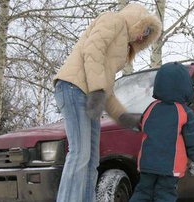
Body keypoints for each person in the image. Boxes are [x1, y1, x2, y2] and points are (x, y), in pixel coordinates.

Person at [52, 4, 162, 202]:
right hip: (73, 88)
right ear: (137, 21)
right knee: (80, 154)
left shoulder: (122, 49)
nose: (142, 37)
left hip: (89, 93)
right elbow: (92, 50)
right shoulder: (113, 20)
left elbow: (106, 88)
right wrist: (96, 90)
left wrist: (123, 117)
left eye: (147, 35)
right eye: (144, 30)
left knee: (92, 159)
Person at [129, 62, 194, 202]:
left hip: (147, 163)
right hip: (171, 166)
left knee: (143, 192)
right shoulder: (185, 112)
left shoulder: (152, 107)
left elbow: (142, 125)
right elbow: (193, 138)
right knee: (165, 194)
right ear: (186, 88)